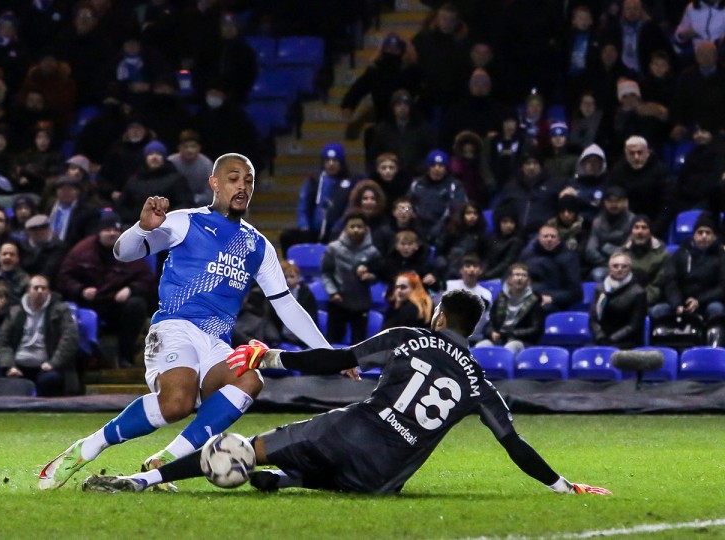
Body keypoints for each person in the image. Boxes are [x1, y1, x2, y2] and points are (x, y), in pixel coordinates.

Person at [83, 290, 611, 497]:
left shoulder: (410, 335)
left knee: (243, 448)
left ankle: (141, 478)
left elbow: (339, 359)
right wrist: (565, 486)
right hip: (383, 479)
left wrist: (272, 358)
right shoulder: (481, 385)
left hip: (346, 432)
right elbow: (514, 444)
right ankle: (287, 479)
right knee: (327, 475)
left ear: (440, 317)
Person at [38, 153, 332, 491]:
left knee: (250, 379)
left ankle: (164, 460)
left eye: (248, 181)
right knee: (177, 403)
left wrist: (328, 353)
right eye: (234, 178)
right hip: (174, 327)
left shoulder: (258, 245)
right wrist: (141, 228)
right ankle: (86, 449)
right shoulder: (185, 221)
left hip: (216, 341)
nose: (242, 186)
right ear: (215, 183)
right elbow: (124, 252)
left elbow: (287, 305)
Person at [57, 211, 156, 368]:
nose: (112, 234)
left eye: (115, 230)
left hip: (118, 304)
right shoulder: (82, 251)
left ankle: (126, 356)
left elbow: (147, 279)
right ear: (99, 232)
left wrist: (131, 289)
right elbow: (64, 277)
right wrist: (80, 290)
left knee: (137, 305)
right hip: (91, 303)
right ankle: (89, 360)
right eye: (107, 230)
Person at [0, 274, 79, 396]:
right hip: (17, 366)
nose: (40, 291)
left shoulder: (61, 311)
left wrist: (53, 363)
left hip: (46, 367)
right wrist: (9, 366)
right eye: (36, 288)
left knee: (51, 380)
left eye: (43, 288)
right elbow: (3, 341)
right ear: (29, 291)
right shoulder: (15, 312)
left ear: (48, 292)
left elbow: (70, 339)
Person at [320, 212, 382, 344]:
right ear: (345, 229)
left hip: (361, 303)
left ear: (366, 229)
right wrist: (333, 292)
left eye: (359, 226)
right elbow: (326, 273)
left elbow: (378, 275)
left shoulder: (373, 252)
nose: (356, 230)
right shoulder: (333, 249)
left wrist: (369, 276)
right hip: (338, 302)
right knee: (332, 343)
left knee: (359, 345)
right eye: (352, 226)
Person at [478, 263, 544, 355]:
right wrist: (491, 332)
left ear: (528, 281)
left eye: (524, 275)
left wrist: (511, 333)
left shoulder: (534, 301)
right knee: (481, 346)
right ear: (509, 279)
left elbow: (536, 329)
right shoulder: (501, 298)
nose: (520, 278)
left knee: (511, 347)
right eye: (517, 275)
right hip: (500, 339)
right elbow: (491, 323)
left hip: (522, 342)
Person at [589, 251, 647, 349]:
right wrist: (601, 337)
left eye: (624, 266)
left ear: (630, 268)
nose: (619, 269)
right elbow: (593, 319)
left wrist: (611, 339)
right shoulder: (600, 289)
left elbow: (634, 325)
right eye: (615, 266)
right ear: (609, 268)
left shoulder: (638, 292)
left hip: (627, 342)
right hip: (601, 340)